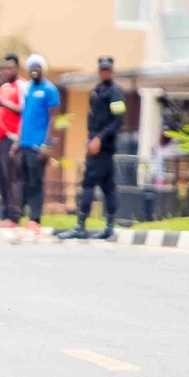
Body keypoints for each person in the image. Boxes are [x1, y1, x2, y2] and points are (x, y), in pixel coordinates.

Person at [59, 57, 126, 240]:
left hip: (103, 147)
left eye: (108, 70)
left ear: (112, 71)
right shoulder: (97, 90)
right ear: (99, 71)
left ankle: (81, 226)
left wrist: (99, 139)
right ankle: (109, 226)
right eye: (102, 69)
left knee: (88, 184)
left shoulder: (115, 92)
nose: (105, 72)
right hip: (96, 144)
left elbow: (118, 120)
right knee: (108, 187)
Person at [16, 54, 59, 231]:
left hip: (38, 145)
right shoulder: (27, 89)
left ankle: (36, 218)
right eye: (31, 67)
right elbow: (24, 116)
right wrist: (18, 140)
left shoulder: (49, 89)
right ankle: (24, 216)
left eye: (37, 67)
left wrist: (46, 144)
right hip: (24, 143)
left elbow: (53, 118)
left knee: (36, 182)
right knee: (24, 182)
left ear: (43, 69)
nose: (34, 70)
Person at [0, 55, 24, 227]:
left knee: (13, 178)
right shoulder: (4, 88)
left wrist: (3, 103)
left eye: (10, 68)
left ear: (17, 68)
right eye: (5, 69)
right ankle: (4, 215)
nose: (7, 71)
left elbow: (24, 110)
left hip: (13, 136)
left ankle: (14, 216)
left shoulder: (22, 86)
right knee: (2, 178)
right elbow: (2, 112)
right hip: (0, 136)